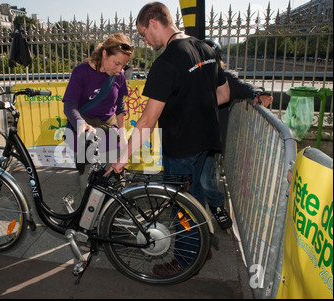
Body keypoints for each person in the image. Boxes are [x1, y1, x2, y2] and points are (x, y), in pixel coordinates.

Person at [108, 2, 230, 226]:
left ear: (153, 23)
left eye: (142, 34)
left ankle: (186, 259)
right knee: (194, 195)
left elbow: (147, 121)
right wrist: (194, 105)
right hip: (207, 140)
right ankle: (201, 244)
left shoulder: (166, 62)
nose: (144, 40)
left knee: (180, 204)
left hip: (181, 146)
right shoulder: (207, 49)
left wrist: (122, 159)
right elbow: (223, 94)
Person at [199, 39, 274, 229]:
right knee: (190, 182)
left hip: (210, 141)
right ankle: (195, 220)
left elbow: (244, 87)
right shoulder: (191, 77)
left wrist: (259, 93)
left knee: (204, 180)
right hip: (189, 138)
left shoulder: (224, 78)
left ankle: (216, 206)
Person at [62, 33, 134, 192]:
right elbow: (69, 106)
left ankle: (114, 215)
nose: (119, 69)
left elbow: (120, 106)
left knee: (117, 187)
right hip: (87, 137)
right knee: (89, 188)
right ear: (104, 53)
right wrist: (80, 124)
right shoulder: (81, 72)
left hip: (111, 134)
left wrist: (122, 135)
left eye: (123, 66)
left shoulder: (119, 75)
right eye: (116, 63)